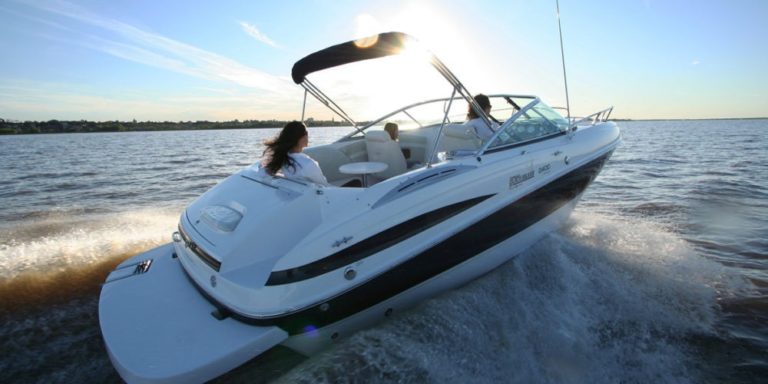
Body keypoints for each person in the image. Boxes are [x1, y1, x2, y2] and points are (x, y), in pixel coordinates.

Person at [261, 121, 327, 184]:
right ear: (300, 138)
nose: (307, 136)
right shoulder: (308, 164)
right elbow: (324, 186)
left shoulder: (283, 159)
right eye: (306, 133)